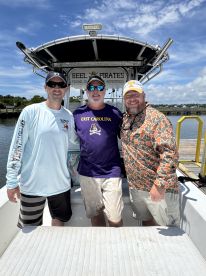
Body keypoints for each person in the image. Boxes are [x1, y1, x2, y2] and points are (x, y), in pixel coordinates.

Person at [6, 71, 78, 228]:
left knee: (59, 223)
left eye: (61, 84)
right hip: (32, 185)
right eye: (52, 84)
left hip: (61, 184)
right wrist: (11, 181)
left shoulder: (69, 116)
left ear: (66, 88)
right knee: (30, 229)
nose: (56, 88)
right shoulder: (30, 111)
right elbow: (17, 147)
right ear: (45, 87)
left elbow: (74, 145)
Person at [120, 80, 180, 226]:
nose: (132, 99)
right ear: (124, 100)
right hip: (136, 186)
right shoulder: (125, 119)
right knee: (147, 225)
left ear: (144, 96)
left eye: (136, 95)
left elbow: (170, 154)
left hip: (158, 187)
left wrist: (159, 185)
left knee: (165, 229)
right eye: (128, 96)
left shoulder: (157, 119)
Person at [73, 75, 123, 227]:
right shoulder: (77, 115)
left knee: (115, 217)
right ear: (86, 91)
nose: (96, 91)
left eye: (100, 87)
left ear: (105, 90)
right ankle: (100, 248)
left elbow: (129, 137)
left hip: (112, 172)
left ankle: (118, 247)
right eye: (92, 88)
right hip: (88, 172)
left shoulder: (115, 113)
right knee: (95, 215)